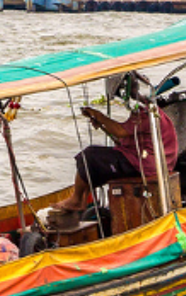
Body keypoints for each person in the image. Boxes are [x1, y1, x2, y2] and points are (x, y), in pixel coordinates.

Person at [69, 73, 178, 210]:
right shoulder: (144, 108)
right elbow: (122, 139)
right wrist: (102, 124)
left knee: (88, 156)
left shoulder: (144, 111)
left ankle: (77, 199)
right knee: (97, 159)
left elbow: (120, 131)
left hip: (147, 164)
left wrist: (98, 115)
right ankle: (83, 200)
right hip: (146, 159)